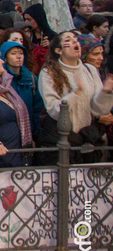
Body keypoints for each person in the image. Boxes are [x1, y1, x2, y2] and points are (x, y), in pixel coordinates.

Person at [37, 31, 113, 163]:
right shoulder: (48, 72)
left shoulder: (90, 69)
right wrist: (76, 93)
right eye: (68, 40)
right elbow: (54, 110)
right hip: (61, 141)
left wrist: (106, 93)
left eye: (75, 39)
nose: (74, 41)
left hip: (87, 139)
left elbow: (97, 110)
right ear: (59, 50)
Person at [0, 41, 44, 143]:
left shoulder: (31, 79)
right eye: (13, 53)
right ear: (5, 58)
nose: (18, 56)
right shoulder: (0, 80)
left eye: (21, 53)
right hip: (8, 134)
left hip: (29, 131)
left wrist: (36, 132)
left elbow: (37, 108)